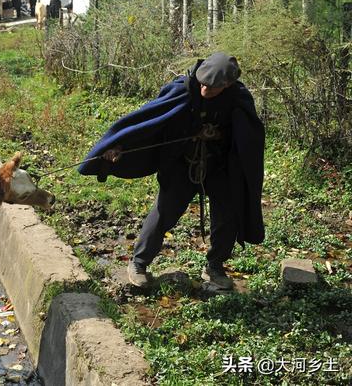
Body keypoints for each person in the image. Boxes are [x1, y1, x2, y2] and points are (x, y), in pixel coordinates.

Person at [78, 53, 265, 291]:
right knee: (165, 212)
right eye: (203, 83)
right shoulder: (183, 89)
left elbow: (247, 136)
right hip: (181, 163)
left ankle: (215, 266)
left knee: (228, 215)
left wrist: (218, 134)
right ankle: (139, 263)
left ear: (227, 84)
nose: (205, 89)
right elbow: (149, 120)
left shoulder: (237, 98)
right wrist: (119, 145)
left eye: (213, 86)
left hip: (219, 166)